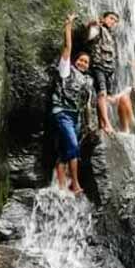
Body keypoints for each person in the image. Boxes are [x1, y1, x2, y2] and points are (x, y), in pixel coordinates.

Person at [50, 13, 94, 194]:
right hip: (62, 112)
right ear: (75, 62)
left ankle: (60, 186)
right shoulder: (66, 71)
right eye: (81, 60)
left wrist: (89, 125)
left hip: (75, 116)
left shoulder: (87, 81)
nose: (83, 63)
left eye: (86, 62)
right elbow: (68, 47)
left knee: (63, 151)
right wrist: (68, 25)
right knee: (74, 148)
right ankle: (74, 184)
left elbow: (87, 105)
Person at [84, 10, 120, 136]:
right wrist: (90, 24)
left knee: (104, 96)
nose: (113, 22)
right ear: (103, 19)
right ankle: (107, 124)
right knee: (102, 94)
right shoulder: (98, 29)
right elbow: (89, 36)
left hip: (108, 68)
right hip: (98, 66)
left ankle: (101, 124)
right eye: (111, 18)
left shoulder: (111, 36)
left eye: (115, 21)